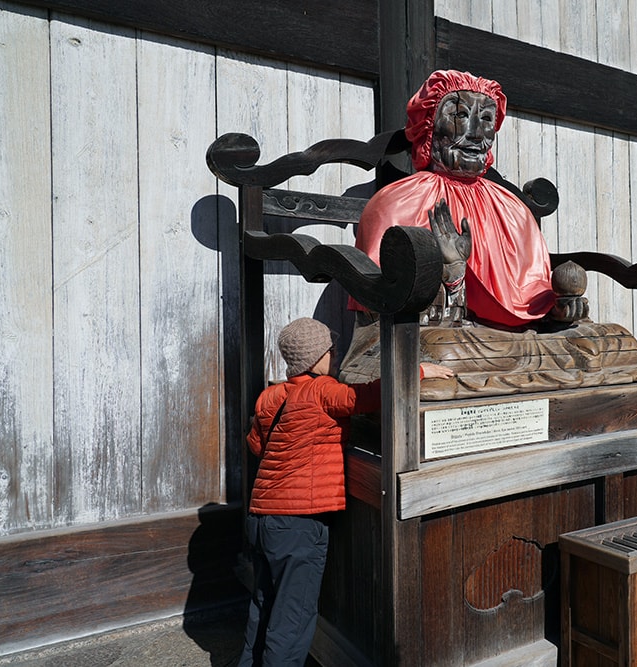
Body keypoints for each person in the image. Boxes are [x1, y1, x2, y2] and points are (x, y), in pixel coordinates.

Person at [238, 317, 453, 666]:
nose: (336, 354)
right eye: (330, 350)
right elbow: (365, 396)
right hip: (299, 524)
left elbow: (256, 445)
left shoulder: (270, 396)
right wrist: (419, 371)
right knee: (293, 616)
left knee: (263, 604)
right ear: (313, 359)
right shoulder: (322, 390)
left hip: (262, 518)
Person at [351, 69, 586, 328]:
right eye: (461, 115)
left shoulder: (512, 209)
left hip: (509, 338)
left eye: (486, 119)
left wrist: (558, 307)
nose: (476, 134)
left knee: (596, 341)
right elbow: (376, 312)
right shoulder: (396, 203)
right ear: (429, 126)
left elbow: (532, 293)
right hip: (445, 341)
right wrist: (452, 274)